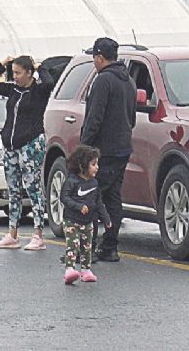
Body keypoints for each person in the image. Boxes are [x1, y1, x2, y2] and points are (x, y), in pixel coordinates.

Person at [0, 55, 54, 250]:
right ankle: (12, 233)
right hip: (10, 145)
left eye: (19, 73)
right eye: (13, 72)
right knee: (13, 189)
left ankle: (38, 233)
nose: (15, 76)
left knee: (33, 188)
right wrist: (1, 65)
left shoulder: (38, 90)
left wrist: (41, 67)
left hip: (30, 143)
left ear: (29, 73)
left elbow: (49, 82)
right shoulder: (12, 89)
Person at [80, 37, 136, 262]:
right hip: (122, 148)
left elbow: (95, 117)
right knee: (112, 197)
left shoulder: (103, 80)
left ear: (100, 57)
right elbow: (131, 118)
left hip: (102, 150)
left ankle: (89, 248)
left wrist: (84, 147)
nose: (94, 62)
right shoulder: (128, 81)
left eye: (94, 57)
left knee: (92, 197)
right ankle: (110, 246)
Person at [61, 145, 111, 284]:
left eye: (97, 164)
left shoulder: (94, 183)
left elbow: (99, 202)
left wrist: (106, 218)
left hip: (88, 222)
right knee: (73, 245)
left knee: (87, 246)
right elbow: (64, 198)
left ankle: (86, 270)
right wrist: (78, 206)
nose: (97, 167)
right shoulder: (71, 181)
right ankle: (69, 269)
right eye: (93, 164)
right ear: (82, 165)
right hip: (72, 220)